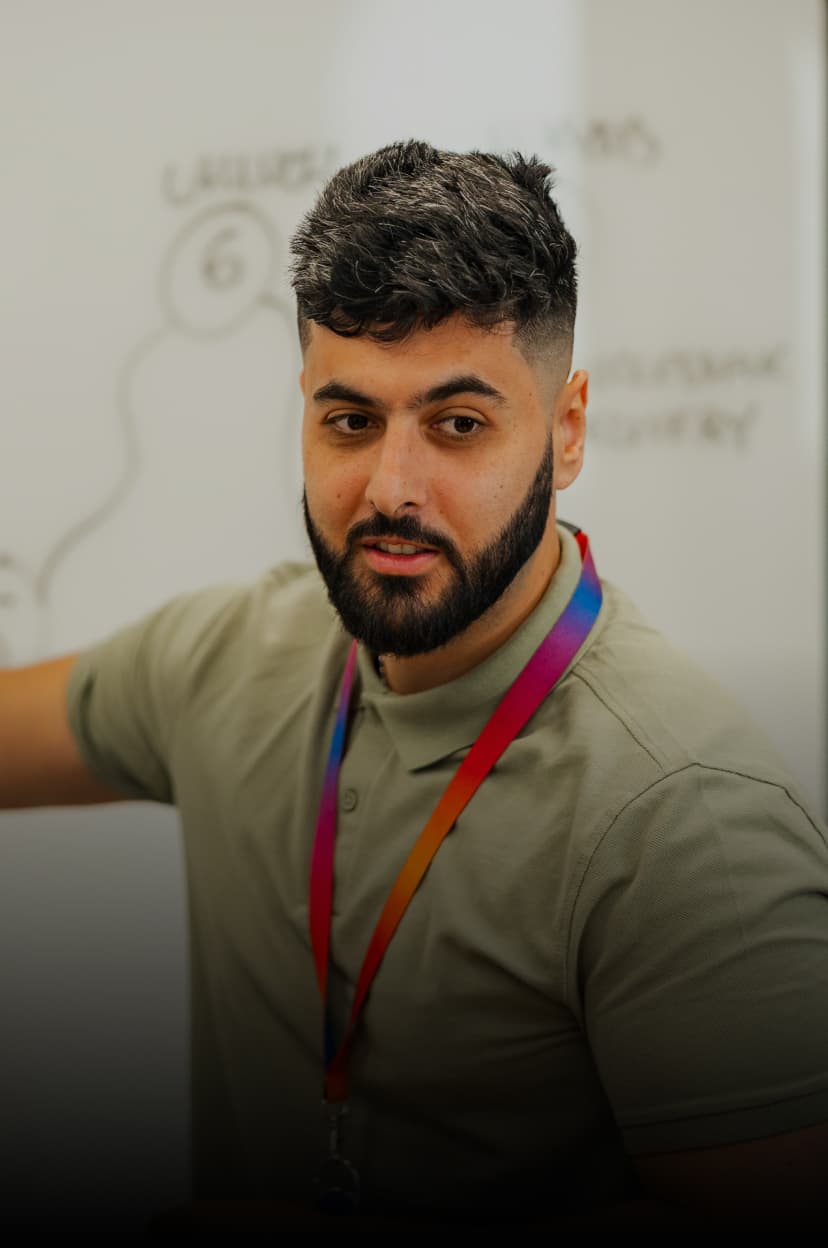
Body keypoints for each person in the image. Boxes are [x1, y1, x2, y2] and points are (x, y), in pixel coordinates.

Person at [2, 139, 827, 1232]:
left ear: (566, 428)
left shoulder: (685, 815)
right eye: (350, 422)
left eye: (458, 425)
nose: (391, 489)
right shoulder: (227, 655)